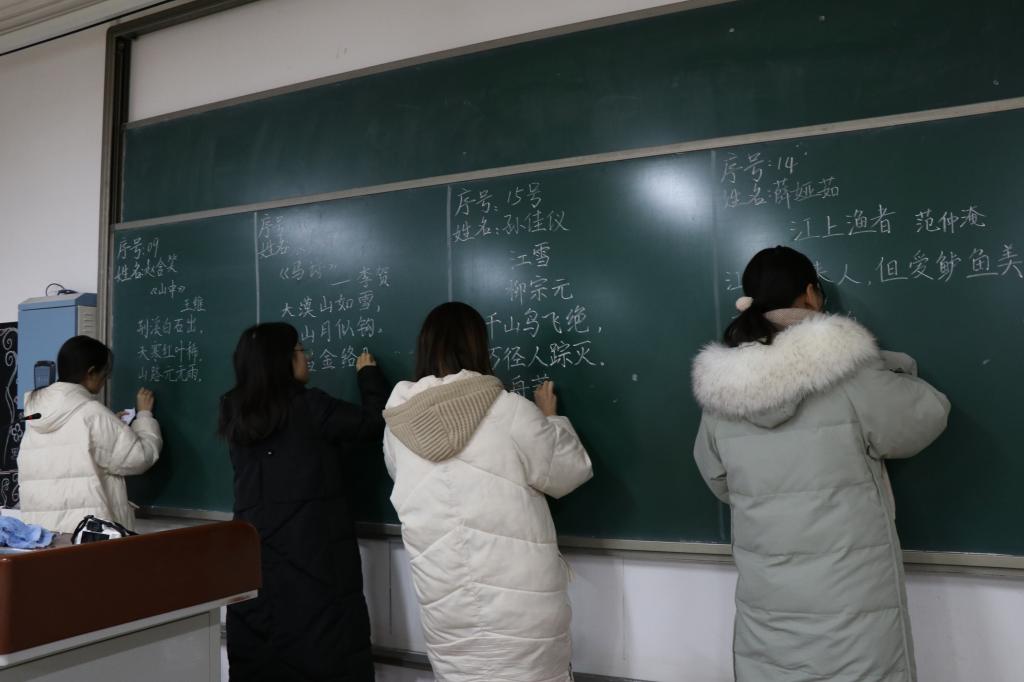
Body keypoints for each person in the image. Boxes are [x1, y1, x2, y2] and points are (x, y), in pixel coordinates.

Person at [691, 245, 950, 682]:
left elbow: (717, 477)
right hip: (851, 597)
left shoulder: (721, 394)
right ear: (811, 294)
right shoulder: (849, 372)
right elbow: (926, 416)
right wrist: (888, 364)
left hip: (767, 594)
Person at [383, 302, 593, 682]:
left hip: (447, 607)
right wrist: (551, 419)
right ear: (478, 346)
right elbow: (569, 472)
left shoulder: (396, 430)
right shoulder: (509, 411)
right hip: (521, 611)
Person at [218, 322, 389, 682]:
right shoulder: (310, 407)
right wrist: (369, 377)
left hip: (253, 566)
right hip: (314, 567)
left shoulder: (236, 415)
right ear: (281, 359)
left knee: (265, 664)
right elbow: (375, 423)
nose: (307, 357)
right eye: (300, 350)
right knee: (327, 656)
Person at [19, 335, 161, 533]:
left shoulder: (36, 415)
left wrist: (112, 424)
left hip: (42, 534)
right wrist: (144, 416)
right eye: (105, 374)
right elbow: (140, 457)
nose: (105, 381)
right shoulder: (94, 415)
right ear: (91, 373)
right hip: (87, 534)